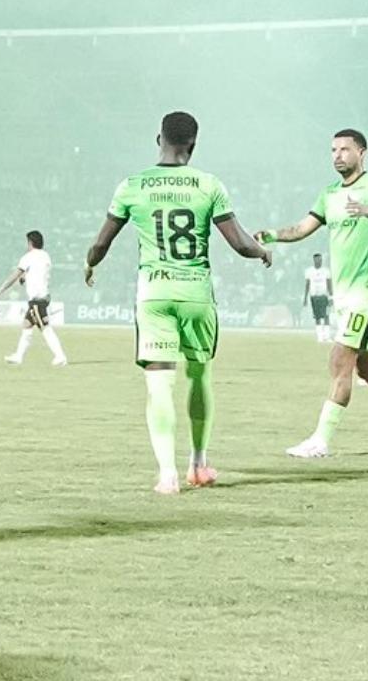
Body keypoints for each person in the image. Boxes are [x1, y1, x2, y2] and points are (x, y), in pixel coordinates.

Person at [82, 112, 272, 493]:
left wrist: (90, 264)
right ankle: (199, 465)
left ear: (159, 139)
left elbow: (102, 243)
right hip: (197, 294)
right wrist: (262, 251)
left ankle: (166, 474)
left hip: (154, 293)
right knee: (200, 376)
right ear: (194, 145)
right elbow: (239, 243)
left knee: (159, 385)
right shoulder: (208, 185)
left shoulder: (132, 185)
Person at [258, 129, 368, 458]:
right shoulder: (329, 194)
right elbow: (301, 229)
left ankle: (320, 440)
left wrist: (363, 210)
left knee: (339, 358)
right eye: (333, 150)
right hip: (347, 296)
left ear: (362, 153)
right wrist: (270, 235)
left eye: (345, 149)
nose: (337, 155)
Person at [0, 230, 68, 366]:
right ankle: (18, 356)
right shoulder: (45, 256)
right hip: (44, 296)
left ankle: (60, 356)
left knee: (45, 328)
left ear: (30, 243)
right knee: (27, 325)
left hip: (37, 299)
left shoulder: (28, 257)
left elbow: (14, 276)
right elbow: (37, 272)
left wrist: (0, 291)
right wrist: (25, 278)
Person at [303, 253, 332, 343]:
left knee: (326, 316)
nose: (319, 261)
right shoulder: (309, 271)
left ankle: (327, 336)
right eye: (317, 259)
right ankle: (320, 337)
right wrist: (305, 297)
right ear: (314, 260)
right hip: (314, 297)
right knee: (317, 317)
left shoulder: (326, 271)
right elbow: (307, 285)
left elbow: (329, 285)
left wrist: (331, 297)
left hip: (324, 296)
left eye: (320, 259)